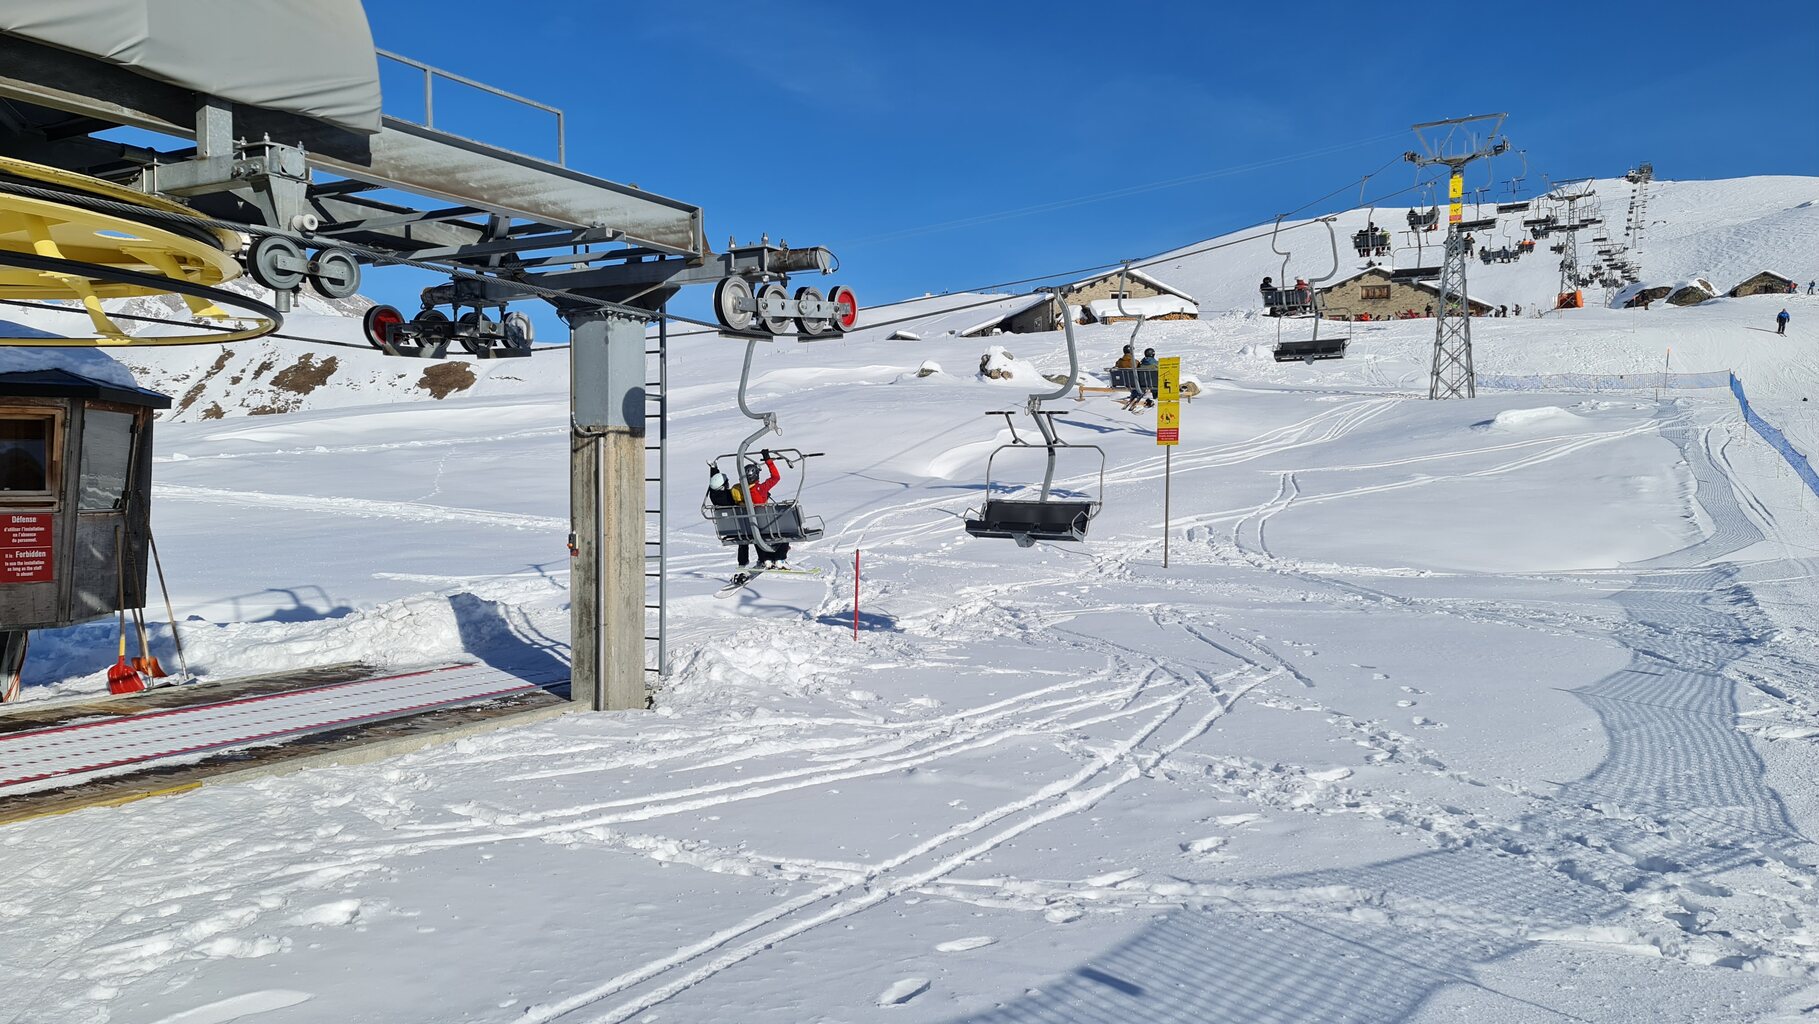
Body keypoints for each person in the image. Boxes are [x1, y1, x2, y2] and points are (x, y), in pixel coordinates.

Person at [730, 449, 788, 571]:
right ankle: (779, 559)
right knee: (783, 532)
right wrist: (768, 460)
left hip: (748, 529)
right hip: (767, 526)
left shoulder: (738, 491)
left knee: (755, 533)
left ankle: (765, 559)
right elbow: (776, 477)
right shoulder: (761, 489)